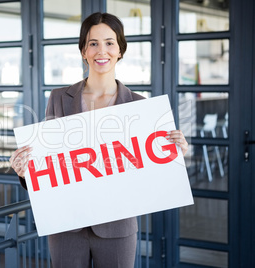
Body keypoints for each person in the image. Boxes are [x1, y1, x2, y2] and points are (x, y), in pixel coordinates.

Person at [10, 12, 188, 268]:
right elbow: (50, 162)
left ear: (120, 50)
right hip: (66, 226)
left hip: (117, 229)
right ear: (83, 50)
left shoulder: (140, 106)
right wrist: (25, 171)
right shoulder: (59, 98)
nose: (101, 51)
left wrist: (174, 154)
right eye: (93, 43)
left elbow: (149, 173)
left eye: (109, 42)